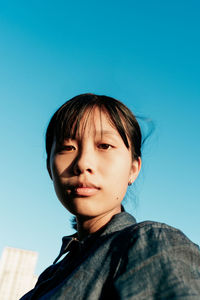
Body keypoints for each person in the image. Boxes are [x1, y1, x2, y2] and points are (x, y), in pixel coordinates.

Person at [21, 93, 200, 299]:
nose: (83, 163)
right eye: (68, 147)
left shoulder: (152, 243)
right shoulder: (50, 276)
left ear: (133, 169)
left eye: (104, 146)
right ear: (49, 168)